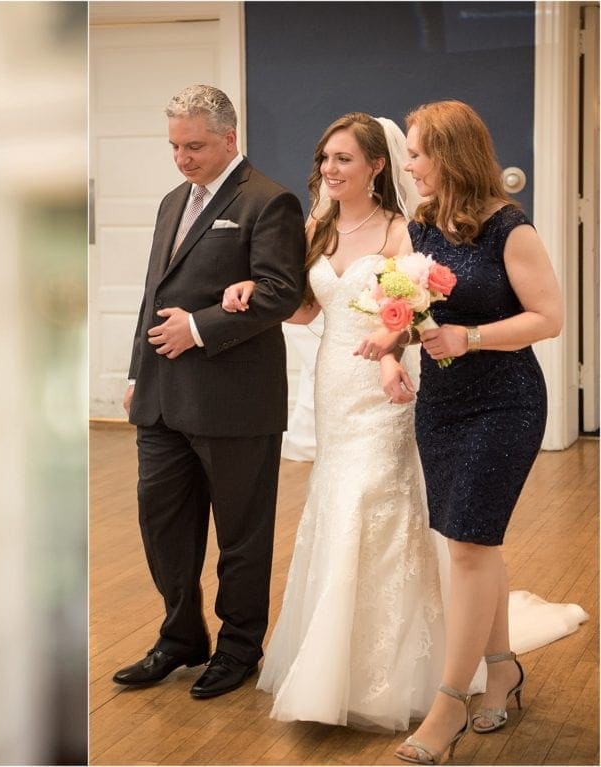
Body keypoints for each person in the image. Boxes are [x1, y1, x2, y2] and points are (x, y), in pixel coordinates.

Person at [223, 113, 444, 731]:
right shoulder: (316, 226)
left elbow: (409, 314)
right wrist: (248, 286)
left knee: (372, 502)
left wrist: (391, 357)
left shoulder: (402, 231)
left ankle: (381, 670)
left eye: (343, 159)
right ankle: (327, 656)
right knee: (334, 499)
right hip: (333, 382)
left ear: (378, 165)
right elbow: (301, 308)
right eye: (325, 159)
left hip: (382, 387)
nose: (329, 170)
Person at [111, 84, 306, 699]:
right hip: (162, 399)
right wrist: (137, 371)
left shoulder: (268, 202)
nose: (182, 158)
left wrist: (198, 328)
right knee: (162, 525)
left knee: (242, 536)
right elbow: (153, 293)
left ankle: (240, 648)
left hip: (236, 401)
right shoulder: (174, 201)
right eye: (174, 146)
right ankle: (180, 638)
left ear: (229, 138)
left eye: (194, 145)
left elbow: (280, 293)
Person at [392, 100, 564, 764]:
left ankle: (448, 702)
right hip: (441, 404)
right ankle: (502, 668)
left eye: (416, 151)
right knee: (476, 543)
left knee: (468, 545)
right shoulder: (419, 228)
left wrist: (470, 336)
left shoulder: (509, 229)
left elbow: (547, 318)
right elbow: (410, 311)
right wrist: (394, 338)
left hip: (505, 401)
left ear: (449, 154)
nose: (409, 163)